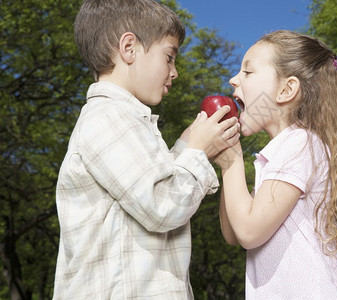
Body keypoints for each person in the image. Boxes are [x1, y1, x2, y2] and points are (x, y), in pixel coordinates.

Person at [53, 0, 240, 299]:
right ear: (129, 48)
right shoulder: (107, 117)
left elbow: (152, 186)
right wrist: (199, 152)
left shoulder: (125, 122)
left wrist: (185, 145)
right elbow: (162, 205)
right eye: (169, 57)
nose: (174, 72)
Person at [215, 30, 337, 299]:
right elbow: (234, 233)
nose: (233, 79)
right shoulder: (283, 150)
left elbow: (248, 231)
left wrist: (232, 161)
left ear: (286, 90)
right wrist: (226, 160)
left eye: (248, 72)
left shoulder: (299, 143)